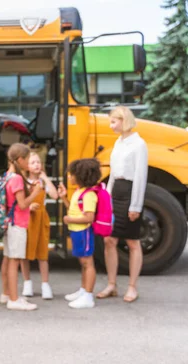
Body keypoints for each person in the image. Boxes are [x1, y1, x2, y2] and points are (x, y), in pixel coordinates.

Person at [97, 106, 148, 303]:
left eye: (113, 122)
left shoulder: (139, 144)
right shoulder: (118, 143)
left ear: (124, 120)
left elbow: (140, 177)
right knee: (109, 240)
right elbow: (113, 175)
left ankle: (132, 287)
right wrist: (106, 200)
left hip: (129, 192)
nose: (111, 125)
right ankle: (111, 284)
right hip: (115, 191)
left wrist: (135, 205)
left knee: (132, 241)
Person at [1, 143, 42, 311]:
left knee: (7, 258)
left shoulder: (7, 175)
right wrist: (35, 192)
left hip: (9, 223)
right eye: (27, 159)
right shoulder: (17, 179)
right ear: (20, 160)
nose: (28, 162)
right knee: (14, 261)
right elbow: (23, 204)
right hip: (17, 223)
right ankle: (14, 298)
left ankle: (6, 293)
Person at [58, 158, 102, 309]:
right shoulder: (79, 191)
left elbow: (89, 217)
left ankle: (88, 296)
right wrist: (64, 197)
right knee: (82, 262)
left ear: (81, 176)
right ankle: (83, 290)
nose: (69, 177)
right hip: (77, 232)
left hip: (84, 232)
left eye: (72, 174)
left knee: (88, 263)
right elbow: (74, 208)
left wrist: (69, 219)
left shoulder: (89, 195)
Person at [21, 151, 58, 300]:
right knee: (24, 253)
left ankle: (45, 284)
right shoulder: (23, 182)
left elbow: (55, 195)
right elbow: (19, 202)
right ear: (27, 166)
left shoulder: (43, 182)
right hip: (27, 218)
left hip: (41, 218)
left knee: (43, 253)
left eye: (38, 162)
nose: (37, 165)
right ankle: (27, 282)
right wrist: (28, 207)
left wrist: (45, 178)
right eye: (33, 162)